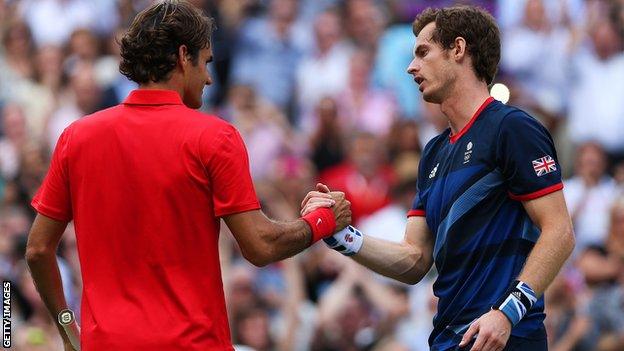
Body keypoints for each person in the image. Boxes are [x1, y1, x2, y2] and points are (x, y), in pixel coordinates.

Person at [24, 2, 351, 351]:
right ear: (184, 56)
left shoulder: (77, 137)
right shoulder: (215, 137)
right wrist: (322, 221)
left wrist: (66, 326)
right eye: (206, 62)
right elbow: (260, 245)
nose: (209, 77)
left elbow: (38, 249)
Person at [302, 5, 574, 351]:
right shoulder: (432, 152)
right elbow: (414, 259)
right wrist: (341, 235)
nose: (410, 67)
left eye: (422, 52)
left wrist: (507, 313)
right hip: (449, 340)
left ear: (458, 50)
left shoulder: (512, 127)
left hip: (506, 338)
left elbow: (560, 231)